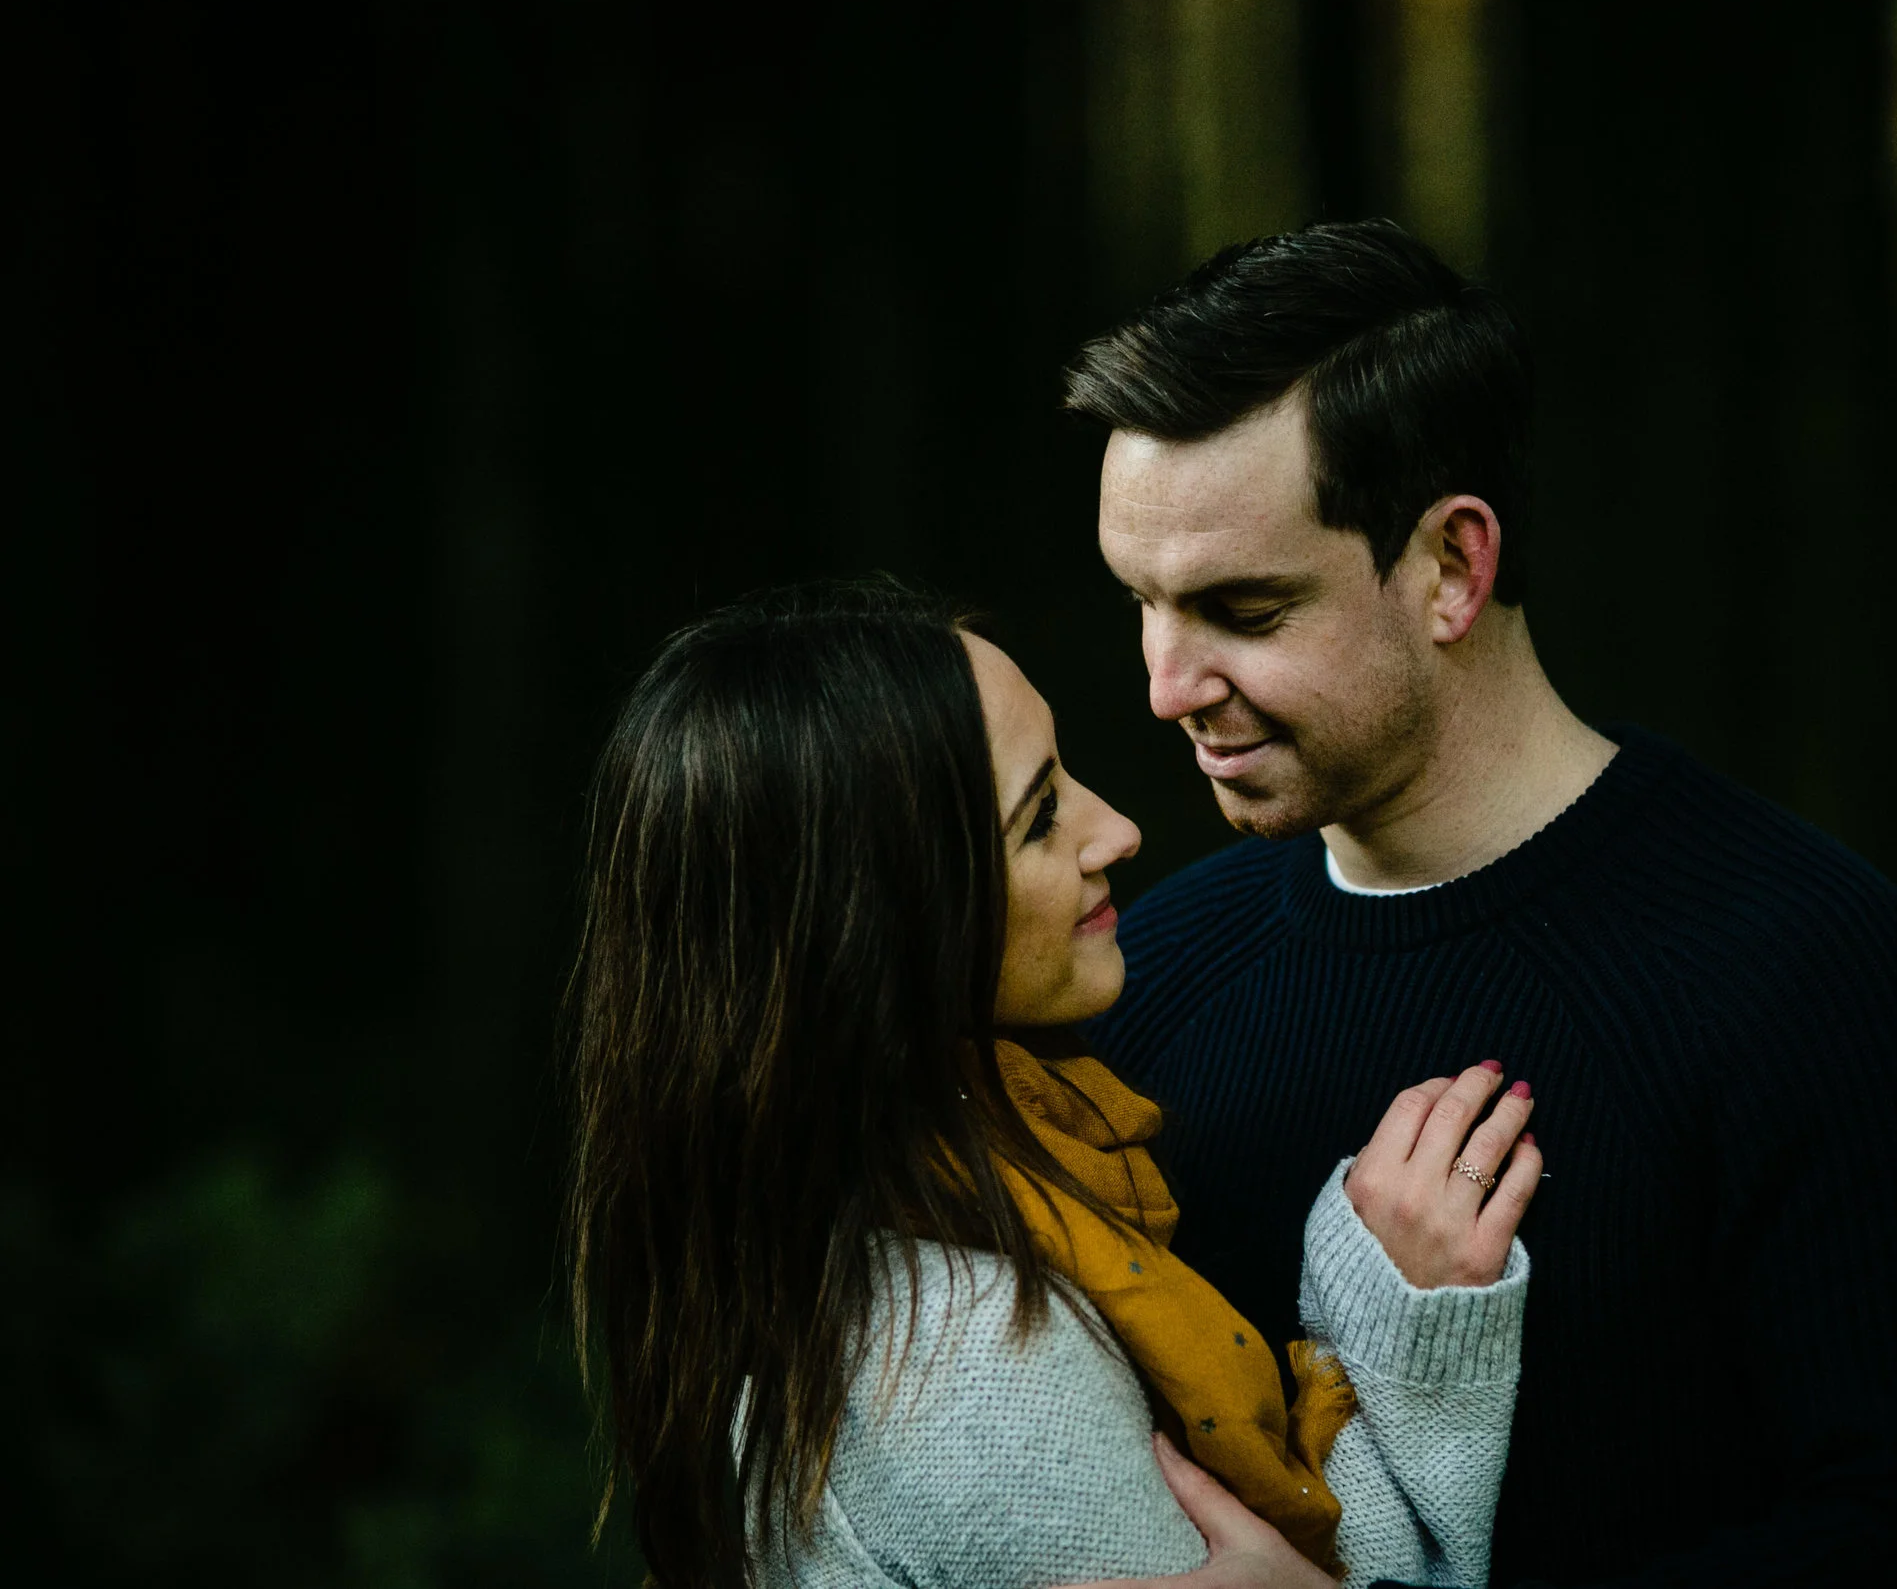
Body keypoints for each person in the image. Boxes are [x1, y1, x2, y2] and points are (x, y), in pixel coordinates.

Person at [1065, 221, 1897, 1587]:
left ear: (1452, 567)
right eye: (1142, 600)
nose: (1165, 684)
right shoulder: (1145, 981)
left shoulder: (1822, 981)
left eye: (1243, 609)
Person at [562, 579, 1541, 1589]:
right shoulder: (973, 1364)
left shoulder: (901, 1222)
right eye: (1037, 820)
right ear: (884, 931)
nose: (1116, 829)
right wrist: (1400, 1323)